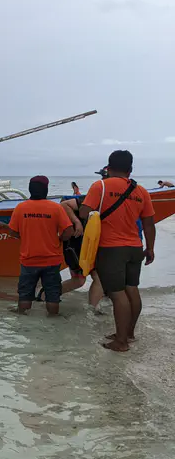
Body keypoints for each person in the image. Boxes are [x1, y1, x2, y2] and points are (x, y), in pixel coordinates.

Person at [79, 150, 156, 352]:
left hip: (111, 248)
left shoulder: (101, 186)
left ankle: (120, 342)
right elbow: (149, 224)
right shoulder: (141, 192)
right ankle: (128, 333)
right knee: (132, 289)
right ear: (130, 170)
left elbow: (84, 212)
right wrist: (150, 248)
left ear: (108, 167)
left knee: (117, 294)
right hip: (135, 247)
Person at [8, 176, 74, 316]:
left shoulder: (21, 208)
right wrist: (59, 239)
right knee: (53, 294)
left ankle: (23, 320)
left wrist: (25, 236)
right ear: (46, 189)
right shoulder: (56, 208)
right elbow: (69, 231)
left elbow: (12, 232)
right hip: (52, 260)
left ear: (30, 189)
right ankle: (53, 322)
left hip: (28, 259)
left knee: (25, 294)